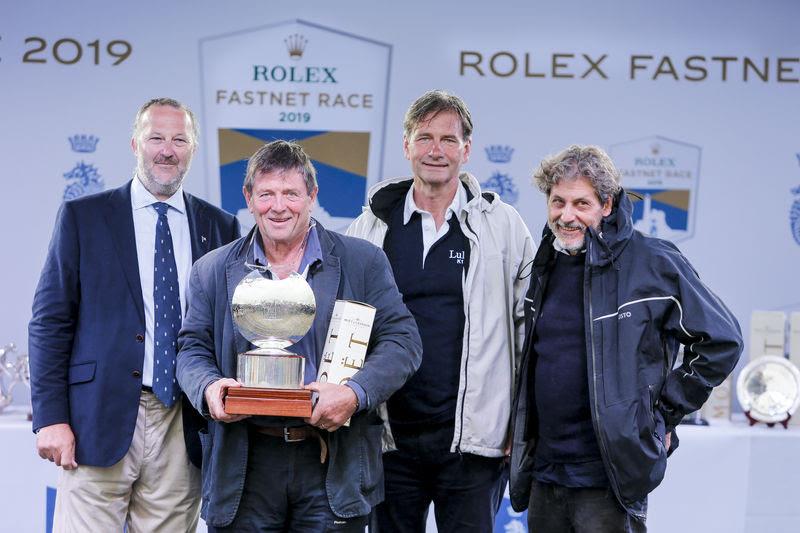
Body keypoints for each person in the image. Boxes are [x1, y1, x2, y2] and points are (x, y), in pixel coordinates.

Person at [176, 140, 422, 531]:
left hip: (331, 461)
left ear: (312, 196)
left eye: (290, 193)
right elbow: (191, 349)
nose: (278, 206)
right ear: (248, 198)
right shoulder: (211, 270)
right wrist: (209, 388)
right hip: (244, 460)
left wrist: (355, 393)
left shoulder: (363, 262)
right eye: (266, 194)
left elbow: (403, 342)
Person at [28, 97, 241, 531]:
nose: (167, 149)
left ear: (193, 149)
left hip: (182, 421)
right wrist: (51, 418)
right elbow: (50, 321)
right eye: (156, 137)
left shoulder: (220, 227)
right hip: (96, 420)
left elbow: (226, 329)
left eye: (179, 139)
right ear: (134, 144)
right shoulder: (84, 217)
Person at [508, 145, 743, 532]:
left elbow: (722, 340)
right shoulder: (546, 261)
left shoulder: (652, 261)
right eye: (558, 202)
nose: (567, 216)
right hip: (546, 475)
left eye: (581, 203)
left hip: (609, 479)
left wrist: (662, 415)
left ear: (607, 204)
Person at [347, 90, 534, 532]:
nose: (436, 150)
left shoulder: (504, 226)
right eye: (425, 137)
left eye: (449, 140)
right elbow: (344, 323)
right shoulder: (368, 227)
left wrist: (522, 424)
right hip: (388, 439)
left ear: (466, 150)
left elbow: (530, 330)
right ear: (406, 145)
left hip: (472, 442)